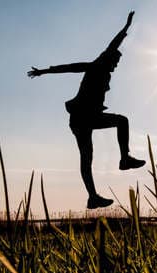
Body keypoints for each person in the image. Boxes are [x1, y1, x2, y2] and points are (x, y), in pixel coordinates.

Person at [28, 11, 146, 209]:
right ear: (108, 59)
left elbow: (112, 49)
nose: (116, 66)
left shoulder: (105, 72)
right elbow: (69, 67)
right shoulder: (96, 66)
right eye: (115, 62)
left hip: (87, 117)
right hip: (82, 117)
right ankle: (124, 160)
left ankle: (94, 196)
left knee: (89, 155)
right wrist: (44, 71)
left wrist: (126, 28)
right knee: (118, 124)